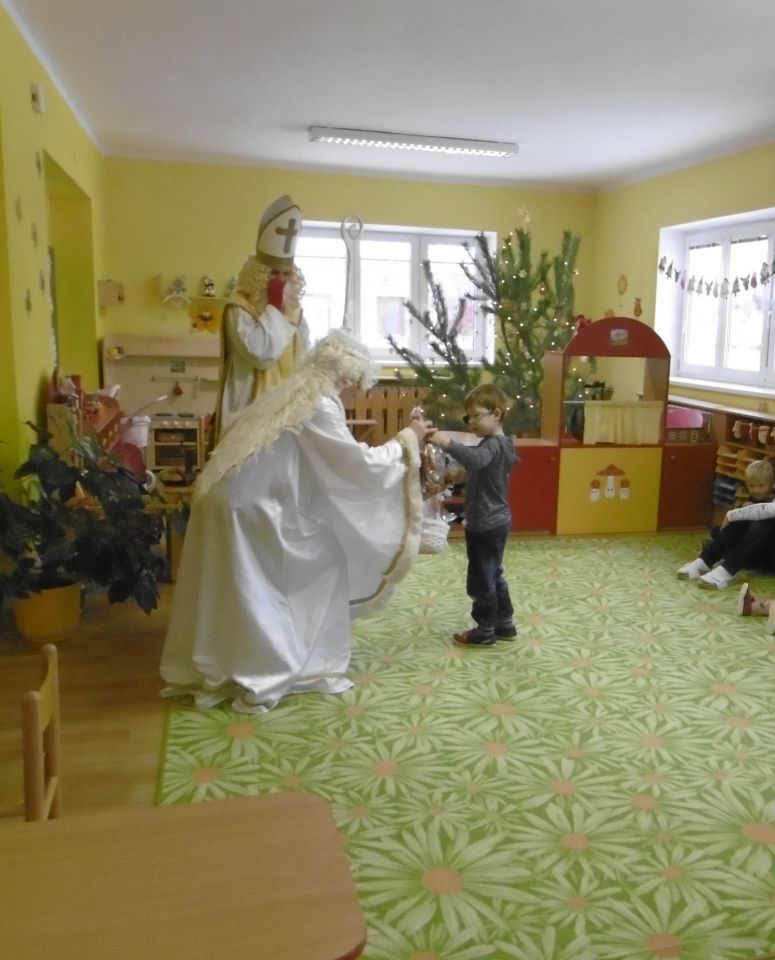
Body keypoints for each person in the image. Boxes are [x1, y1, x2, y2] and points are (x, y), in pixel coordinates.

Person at [160, 330, 429, 713]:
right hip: (250, 508)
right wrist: (407, 439)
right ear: (347, 377)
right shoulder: (319, 404)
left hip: (227, 501)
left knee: (238, 584)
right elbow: (356, 466)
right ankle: (278, 663)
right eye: (359, 387)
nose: (356, 396)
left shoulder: (292, 392)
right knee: (320, 562)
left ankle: (233, 659)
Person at [424, 384, 519, 648]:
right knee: (494, 575)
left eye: (477, 415)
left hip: (486, 524)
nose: (472, 422)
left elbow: (476, 459)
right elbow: (483, 470)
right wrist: (460, 476)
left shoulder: (494, 445)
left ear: (496, 414)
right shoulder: (499, 444)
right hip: (495, 522)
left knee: (481, 579)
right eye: (469, 417)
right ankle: (504, 623)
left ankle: (484, 630)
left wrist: (444, 441)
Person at [213, 194, 311, 445]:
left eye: (286, 274)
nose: (280, 280)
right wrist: (275, 308)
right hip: (247, 409)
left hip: (284, 412)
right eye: (273, 273)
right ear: (259, 273)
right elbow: (261, 353)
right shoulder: (239, 308)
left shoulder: (296, 313)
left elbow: (304, 360)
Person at [683, 436, 775, 589]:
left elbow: (772, 511)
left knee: (765, 517)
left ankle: (726, 572)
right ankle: (704, 561)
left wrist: (731, 514)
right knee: (750, 516)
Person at [677, 459, 774, 579]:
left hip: (761, 549)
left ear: (770, 485)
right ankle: (704, 561)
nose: (756, 490)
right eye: (752, 486)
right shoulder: (750, 500)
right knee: (719, 530)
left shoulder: (774, 504)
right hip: (746, 542)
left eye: (761, 486)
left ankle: (726, 567)